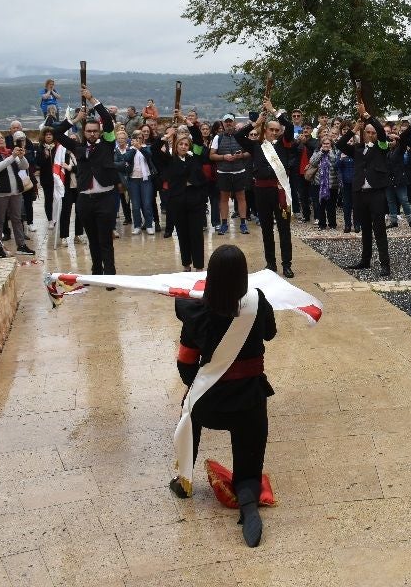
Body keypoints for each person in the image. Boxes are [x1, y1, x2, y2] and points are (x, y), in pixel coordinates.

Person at [170, 244, 276, 546]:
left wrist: (198, 386)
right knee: (249, 453)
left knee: (189, 409)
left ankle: (184, 480)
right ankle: (248, 497)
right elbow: (270, 333)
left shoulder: (196, 311)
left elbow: (185, 362)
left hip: (210, 405)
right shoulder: (258, 302)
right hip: (250, 401)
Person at [53, 87, 120, 278]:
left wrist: (92, 99)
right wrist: (74, 119)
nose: (92, 134)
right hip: (85, 200)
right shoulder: (77, 147)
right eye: (89, 131)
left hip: (106, 197)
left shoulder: (107, 143)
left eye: (95, 131)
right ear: (84, 131)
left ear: (99, 132)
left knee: (105, 238)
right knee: (92, 238)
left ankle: (110, 273)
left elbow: (107, 120)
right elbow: (57, 133)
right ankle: (96, 270)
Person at [236, 98, 295, 277]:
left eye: (277, 130)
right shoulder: (256, 146)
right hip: (262, 192)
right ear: (266, 130)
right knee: (266, 229)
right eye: (271, 129)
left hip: (280, 192)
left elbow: (289, 127)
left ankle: (287, 264)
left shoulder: (284, 144)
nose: (274, 133)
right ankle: (271, 263)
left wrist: (274, 110)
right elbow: (238, 136)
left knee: (284, 229)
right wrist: (255, 123)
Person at [339, 103, 394, 277]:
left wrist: (367, 115)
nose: (370, 135)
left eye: (373, 132)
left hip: (376, 193)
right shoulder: (357, 148)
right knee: (365, 228)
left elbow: (382, 132)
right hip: (360, 193)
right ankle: (365, 259)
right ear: (363, 133)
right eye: (368, 132)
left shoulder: (382, 147)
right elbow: (340, 144)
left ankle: (385, 264)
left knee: (379, 229)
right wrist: (354, 129)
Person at [154, 124, 210, 271]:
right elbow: (154, 150)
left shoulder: (195, 157)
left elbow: (198, 140)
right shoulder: (169, 160)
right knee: (182, 234)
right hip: (177, 202)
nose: (184, 146)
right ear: (176, 145)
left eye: (186, 144)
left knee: (196, 234)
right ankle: (186, 265)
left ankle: (199, 266)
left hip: (195, 201)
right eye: (181, 144)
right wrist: (167, 136)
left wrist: (188, 123)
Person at [0, 131, 33, 256]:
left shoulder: (8, 152)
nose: (1, 139)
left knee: (17, 219)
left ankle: (21, 245)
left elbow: (24, 166)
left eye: (2, 137)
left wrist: (21, 157)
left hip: (15, 191)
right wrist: (13, 156)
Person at [211, 117, 251, 235]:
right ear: (223, 124)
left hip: (239, 171)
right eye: (226, 122)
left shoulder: (241, 136)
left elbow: (250, 152)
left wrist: (241, 156)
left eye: (230, 121)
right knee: (224, 199)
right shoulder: (218, 137)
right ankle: (224, 224)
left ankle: (243, 223)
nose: (228, 124)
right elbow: (211, 155)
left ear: (234, 122)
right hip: (223, 172)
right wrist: (224, 157)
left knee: (241, 197)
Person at [307, 134, 340, 230]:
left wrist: (330, 153)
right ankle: (322, 224)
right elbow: (312, 162)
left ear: (331, 144)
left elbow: (335, 163)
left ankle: (332, 224)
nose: (326, 145)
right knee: (320, 205)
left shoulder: (335, 152)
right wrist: (321, 152)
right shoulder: (317, 151)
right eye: (324, 143)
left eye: (327, 143)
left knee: (331, 205)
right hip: (319, 183)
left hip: (332, 183)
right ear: (321, 144)